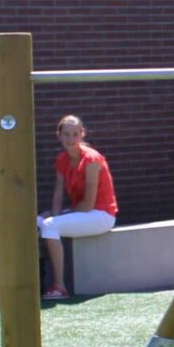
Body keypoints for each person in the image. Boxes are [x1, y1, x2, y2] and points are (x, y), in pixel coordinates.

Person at [38, 115, 117, 299]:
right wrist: (55, 213)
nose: (70, 139)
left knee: (50, 224)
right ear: (59, 135)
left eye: (75, 134)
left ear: (82, 134)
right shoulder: (61, 159)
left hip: (101, 215)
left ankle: (59, 287)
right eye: (66, 134)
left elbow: (88, 204)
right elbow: (58, 193)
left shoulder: (92, 159)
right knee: (40, 220)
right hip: (82, 212)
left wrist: (57, 217)